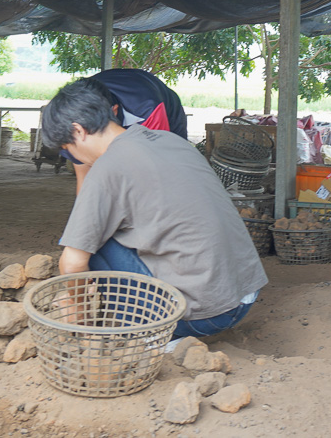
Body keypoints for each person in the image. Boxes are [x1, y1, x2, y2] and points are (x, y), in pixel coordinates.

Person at [42, 78, 267, 339]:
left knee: (91, 240)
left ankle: (153, 337)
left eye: (68, 149)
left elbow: (71, 265)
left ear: (78, 131)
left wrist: (79, 309)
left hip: (204, 315)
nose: (75, 159)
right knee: (101, 229)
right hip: (245, 295)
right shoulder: (170, 140)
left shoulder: (107, 167)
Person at [59, 68, 188, 194]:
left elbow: (152, 172)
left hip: (160, 108)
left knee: (169, 174)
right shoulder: (69, 131)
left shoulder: (150, 110)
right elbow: (84, 183)